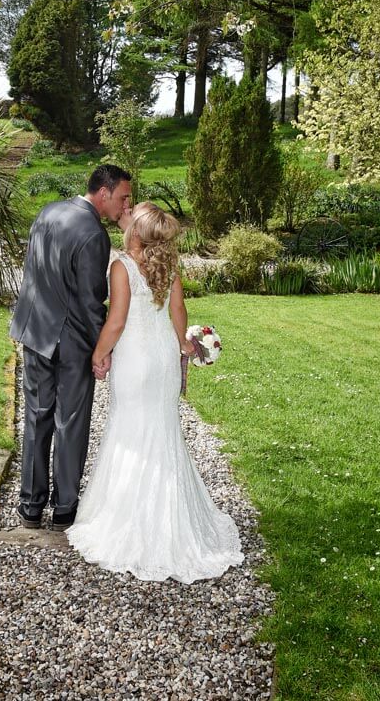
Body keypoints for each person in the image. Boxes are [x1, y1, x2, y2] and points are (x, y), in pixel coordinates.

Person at [67, 201, 244, 582]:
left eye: (131, 217)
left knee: (131, 431)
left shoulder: (122, 266)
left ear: (136, 231)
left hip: (134, 359)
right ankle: (172, 518)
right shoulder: (168, 267)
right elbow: (178, 310)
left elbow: (116, 322)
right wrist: (183, 343)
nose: (125, 217)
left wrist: (99, 355)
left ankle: (133, 521)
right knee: (162, 432)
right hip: (163, 358)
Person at [10, 164, 133, 531]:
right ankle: (64, 508)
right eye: (124, 197)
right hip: (71, 342)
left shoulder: (47, 211)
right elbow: (90, 302)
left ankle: (30, 507)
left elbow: (34, 272)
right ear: (104, 192)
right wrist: (102, 350)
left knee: (36, 417)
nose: (126, 205)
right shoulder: (94, 234)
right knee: (71, 421)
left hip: (34, 332)